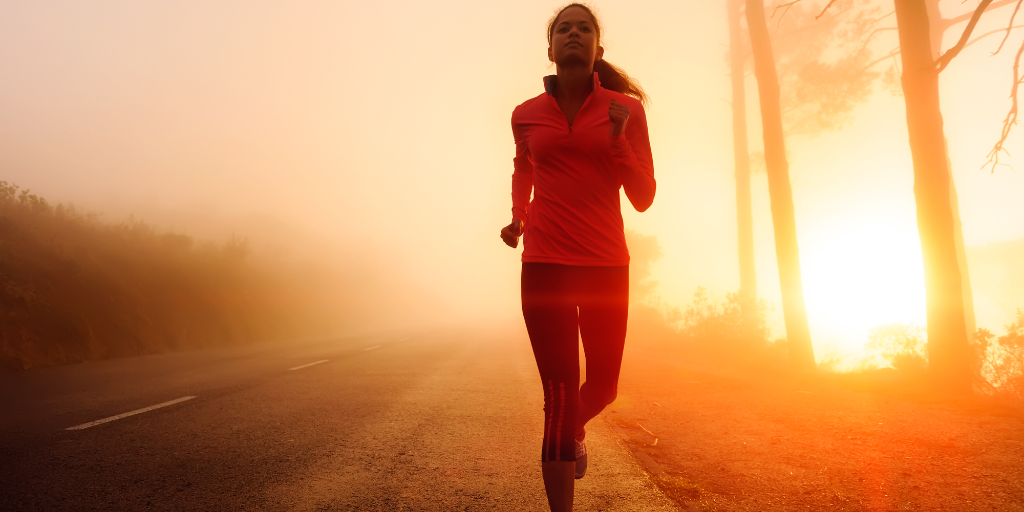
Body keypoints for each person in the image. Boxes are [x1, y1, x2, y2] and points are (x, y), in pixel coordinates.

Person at [499, 4, 656, 511]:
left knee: (604, 387)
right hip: (544, 265)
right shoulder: (525, 114)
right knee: (560, 398)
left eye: (583, 27)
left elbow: (644, 195)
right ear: (550, 50)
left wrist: (616, 142)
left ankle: (574, 431)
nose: (573, 33)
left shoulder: (626, 111)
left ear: (597, 50)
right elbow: (524, 167)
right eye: (563, 28)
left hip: (607, 265)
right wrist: (519, 215)